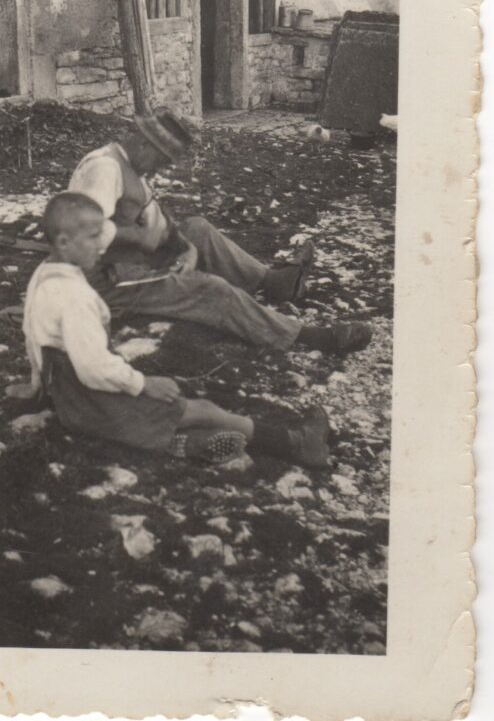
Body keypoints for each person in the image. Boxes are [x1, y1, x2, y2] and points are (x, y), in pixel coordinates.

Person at [22, 192, 332, 467]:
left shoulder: (45, 275)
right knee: (203, 409)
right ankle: (296, 444)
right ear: (64, 243)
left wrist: (38, 385)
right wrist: (144, 384)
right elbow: (94, 369)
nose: (101, 245)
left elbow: (32, 333)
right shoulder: (77, 298)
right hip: (95, 403)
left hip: (68, 401)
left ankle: (188, 443)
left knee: (172, 412)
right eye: (92, 237)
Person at [68, 107, 372, 356]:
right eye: (160, 161)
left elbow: (156, 220)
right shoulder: (105, 168)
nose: (158, 170)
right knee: (212, 290)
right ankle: (308, 337)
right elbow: (83, 229)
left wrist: (184, 247)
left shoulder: (131, 167)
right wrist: (141, 239)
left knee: (197, 229)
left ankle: (271, 282)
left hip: (125, 260)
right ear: (145, 144)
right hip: (103, 280)